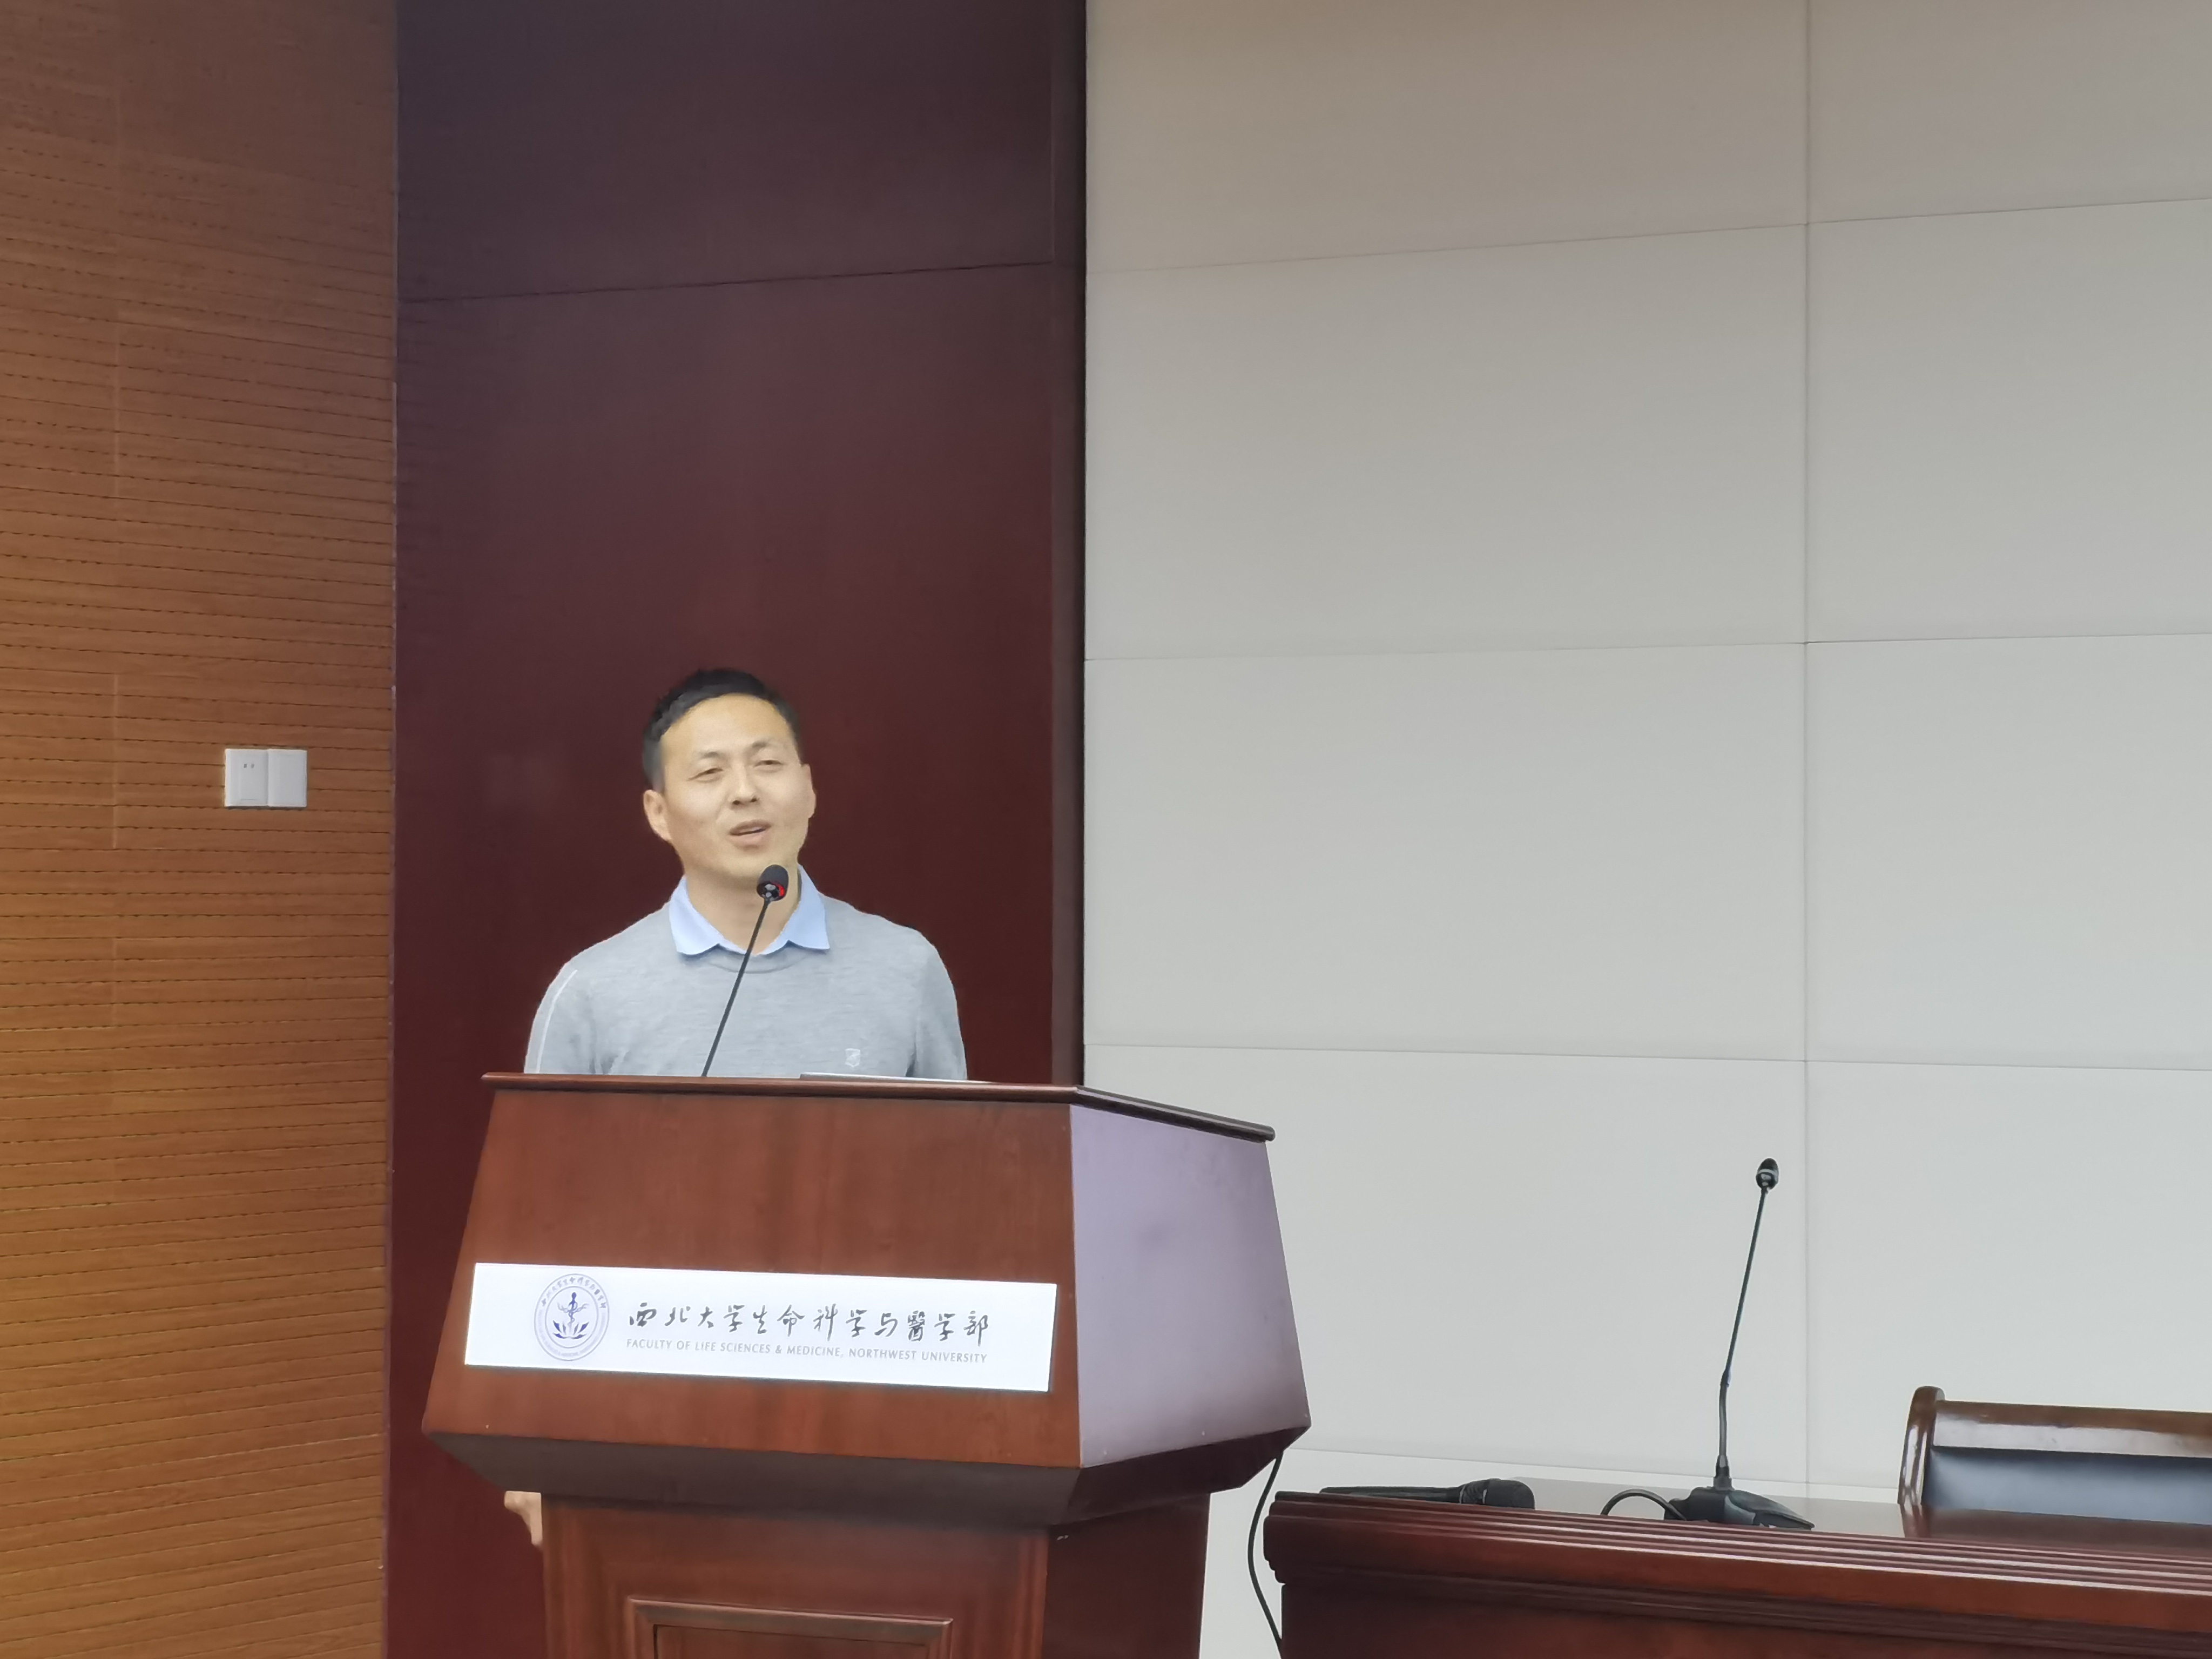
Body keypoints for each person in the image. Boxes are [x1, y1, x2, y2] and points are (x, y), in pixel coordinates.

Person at [524, 667, 966, 1081]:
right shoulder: (590, 993)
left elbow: (951, 1139)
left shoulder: (906, 969)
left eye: (767, 764)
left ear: (809, 789)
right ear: (659, 814)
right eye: (710, 772)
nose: (745, 792)